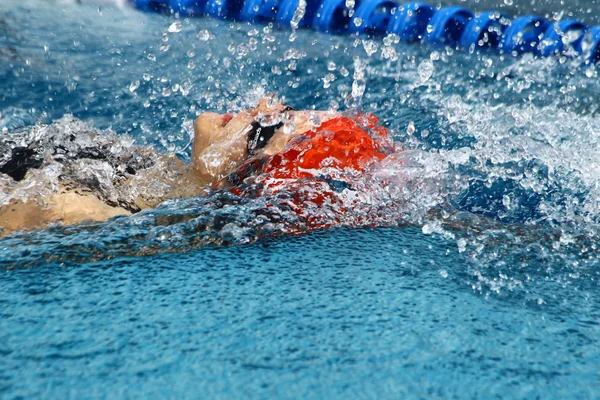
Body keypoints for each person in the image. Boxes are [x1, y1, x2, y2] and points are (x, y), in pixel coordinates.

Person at [0, 98, 393, 235]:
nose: (261, 105)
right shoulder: (160, 173)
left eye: (265, 125)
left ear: (244, 171)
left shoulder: (82, 212)